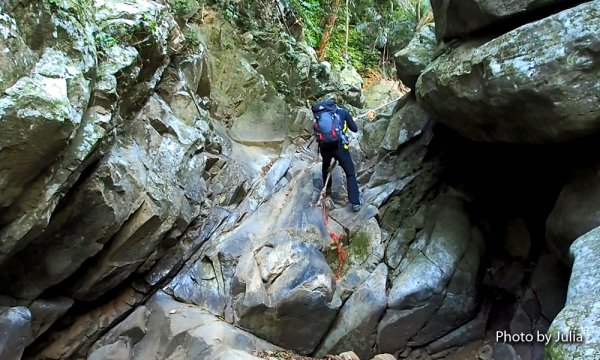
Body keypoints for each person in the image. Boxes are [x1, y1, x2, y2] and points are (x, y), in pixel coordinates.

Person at [313, 97, 362, 211]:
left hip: (325, 147)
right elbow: (354, 129)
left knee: (326, 166)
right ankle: (355, 202)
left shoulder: (320, 116)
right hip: (339, 147)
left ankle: (327, 194)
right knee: (350, 174)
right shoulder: (342, 112)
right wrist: (348, 121)